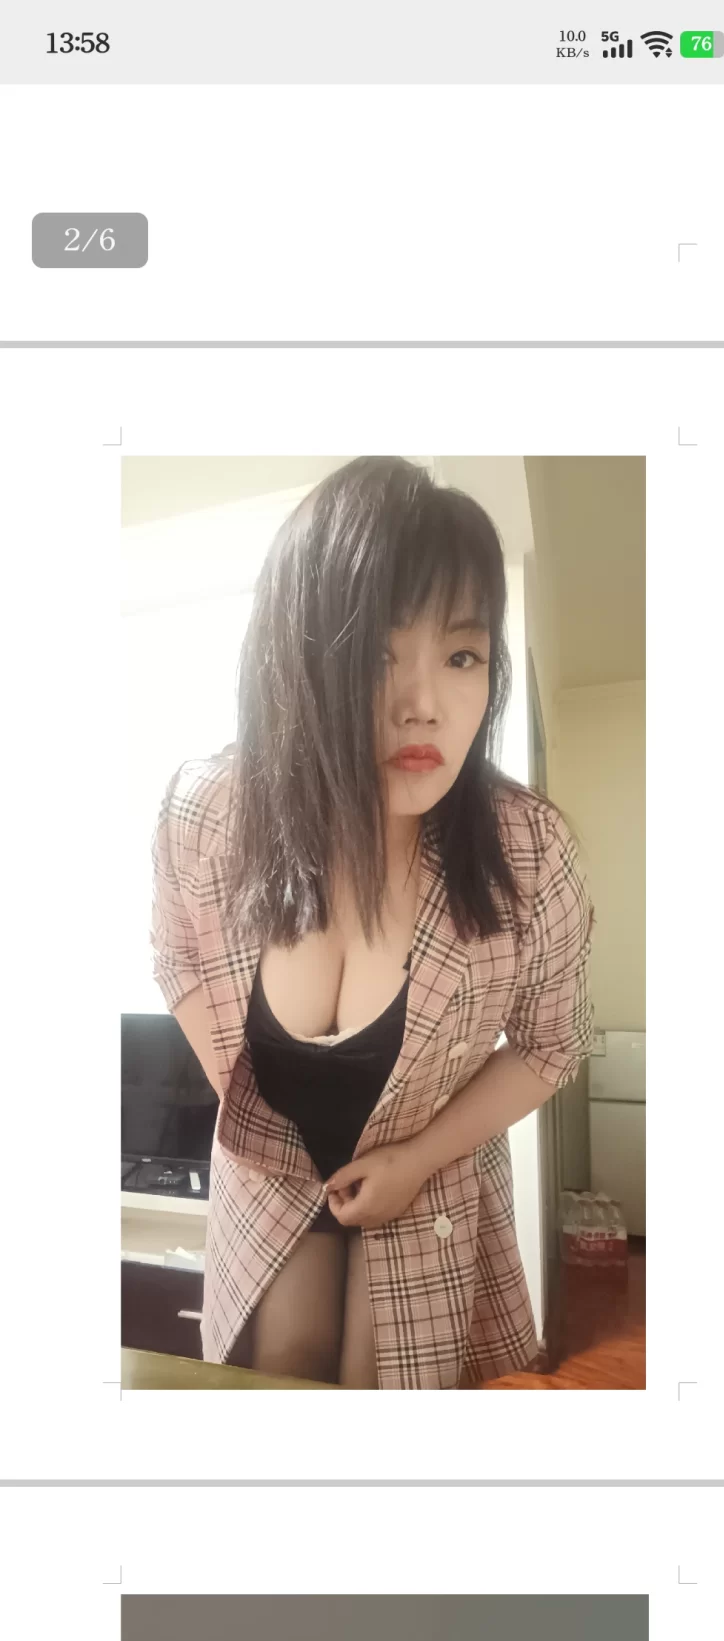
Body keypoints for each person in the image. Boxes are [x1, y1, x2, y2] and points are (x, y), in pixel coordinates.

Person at [150, 456, 595, 1390]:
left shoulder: (526, 851)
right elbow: (177, 956)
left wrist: (419, 1156)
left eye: (462, 656)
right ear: (295, 662)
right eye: (375, 655)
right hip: (266, 1190)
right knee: (278, 1383)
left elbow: (552, 1045)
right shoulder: (209, 812)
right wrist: (251, 1108)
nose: (422, 704)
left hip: (431, 1193)